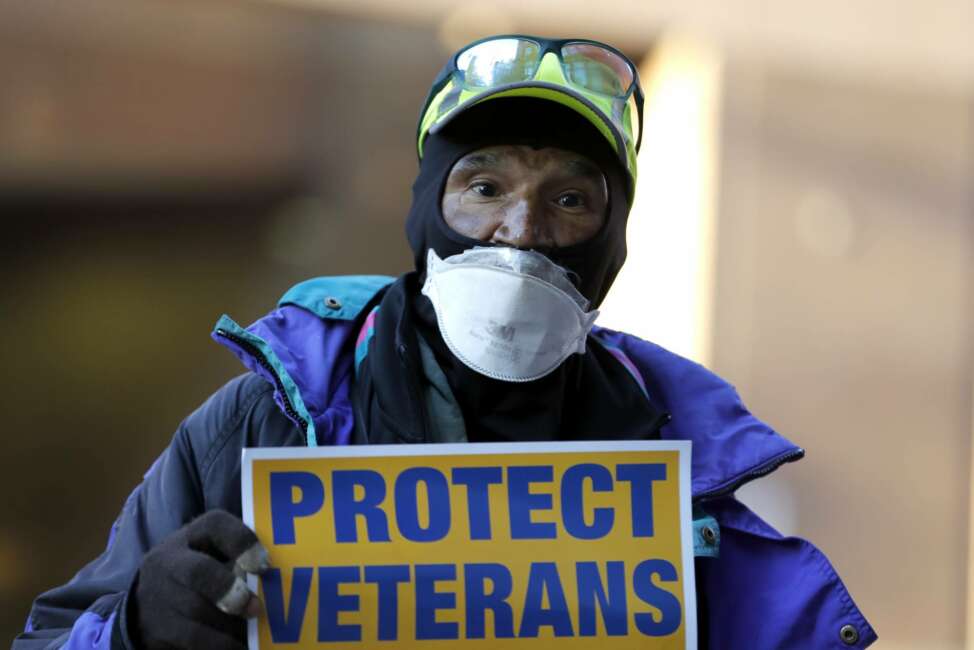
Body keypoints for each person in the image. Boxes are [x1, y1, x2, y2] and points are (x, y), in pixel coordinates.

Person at [14, 35, 876, 649]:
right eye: (485, 185)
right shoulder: (262, 423)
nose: (521, 231)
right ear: (429, 210)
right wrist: (134, 630)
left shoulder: (682, 469)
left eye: (572, 200)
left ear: (612, 243)